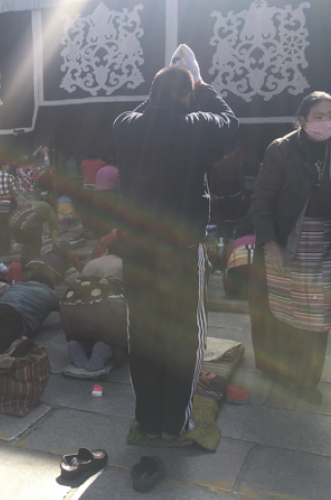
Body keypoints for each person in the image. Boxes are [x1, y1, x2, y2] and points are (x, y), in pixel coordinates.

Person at [113, 46, 238, 440]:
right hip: (182, 250)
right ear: (187, 97)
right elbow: (230, 121)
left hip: (137, 249)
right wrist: (200, 83)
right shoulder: (196, 123)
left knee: (144, 332)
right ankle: (174, 423)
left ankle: (148, 419)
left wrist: (165, 85)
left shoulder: (124, 124)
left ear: (150, 94)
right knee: (185, 333)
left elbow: (147, 110)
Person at [249, 91, 331, 405]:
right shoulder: (282, 149)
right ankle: (281, 372)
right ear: (302, 119)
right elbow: (262, 200)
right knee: (284, 310)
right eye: (318, 117)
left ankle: (308, 380)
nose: (327, 123)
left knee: (317, 314)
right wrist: (269, 241)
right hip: (287, 239)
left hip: (328, 239)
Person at [62, 240, 127, 372]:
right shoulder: (124, 265)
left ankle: (78, 345)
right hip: (105, 309)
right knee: (123, 335)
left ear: (107, 251)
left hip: (70, 311)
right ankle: (106, 349)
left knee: (86, 330)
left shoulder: (92, 263)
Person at [209, 144, 246, 240]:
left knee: (221, 215)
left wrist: (211, 193)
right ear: (231, 152)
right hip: (234, 193)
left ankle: (220, 235)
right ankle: (229, 236)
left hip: (220, 193)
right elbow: (241, 179)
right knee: (231, 215)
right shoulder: (237, 164)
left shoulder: (216, 165)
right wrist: (243, 192)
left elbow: (212, 180)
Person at [9, 200, 58, 264]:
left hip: (12, 221)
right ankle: (34, 263)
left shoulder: (35, 203)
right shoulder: (50, 210)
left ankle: (24, 263)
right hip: (29, 220)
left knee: (26, 242)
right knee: (36, 243)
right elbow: (54, 231)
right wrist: (55, 246)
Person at [0, 158, 19, 253]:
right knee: (7, 227)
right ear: (3, 166)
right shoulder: (10, 177)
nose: (9, 167)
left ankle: (0, 247)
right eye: (8, 165)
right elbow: (16, 192)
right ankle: (7, 248)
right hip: (8, 205)